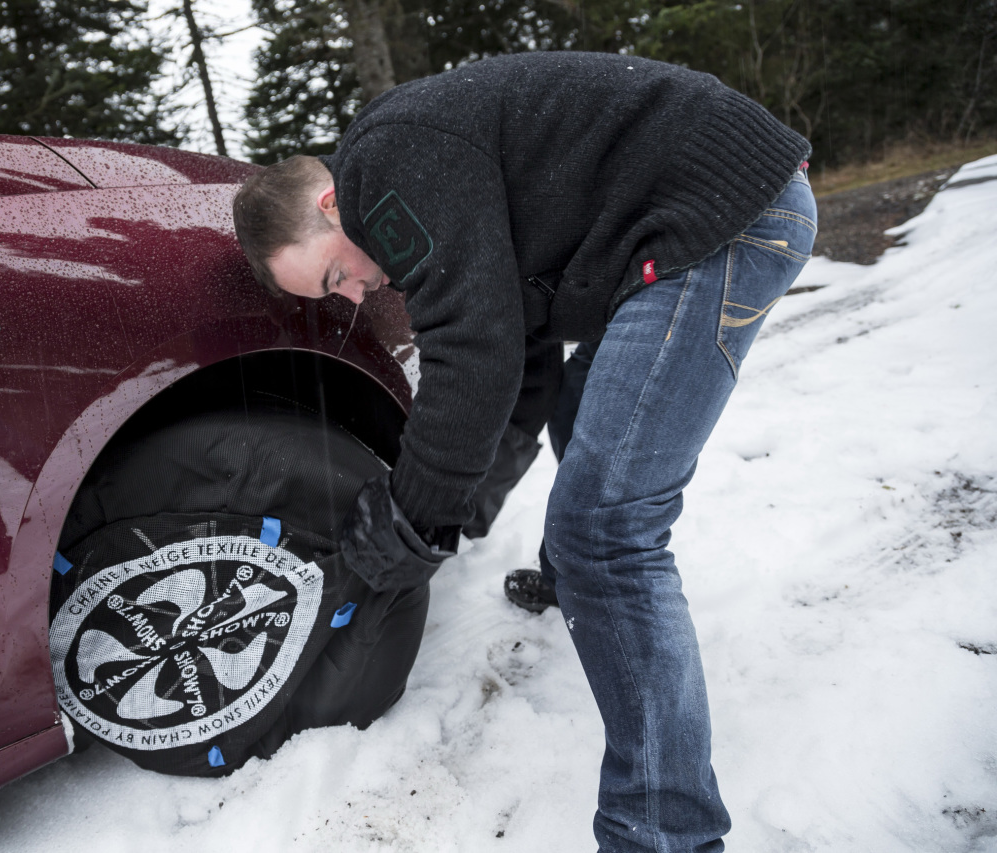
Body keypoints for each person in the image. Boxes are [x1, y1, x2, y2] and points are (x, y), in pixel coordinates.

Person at [233, 50, 815, 852]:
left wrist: (412, 516)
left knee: (606, 533)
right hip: (677, 225)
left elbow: (476, 350)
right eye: (332, 294)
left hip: (720, 216)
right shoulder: (413, 177)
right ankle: (574, 579)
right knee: (585, 413)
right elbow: (525, 366)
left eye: (335, 275)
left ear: (334, 205)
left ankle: (664, 832)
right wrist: (452, 513)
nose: (357, 294)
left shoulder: (383, 172)